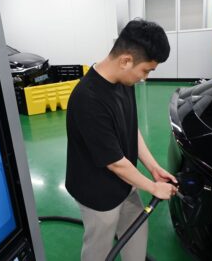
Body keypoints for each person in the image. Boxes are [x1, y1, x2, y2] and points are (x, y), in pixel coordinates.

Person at [65, 19, 178, 261]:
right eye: (146, 70)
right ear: (126, 60)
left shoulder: (123, 80)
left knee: (136, 232)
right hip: (96, 192)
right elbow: (115, 162)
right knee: (99, 248)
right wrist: (153, 187)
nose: (145, 78)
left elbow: (130, 129)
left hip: (124, 182)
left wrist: (153, 169)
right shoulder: (88, 99)